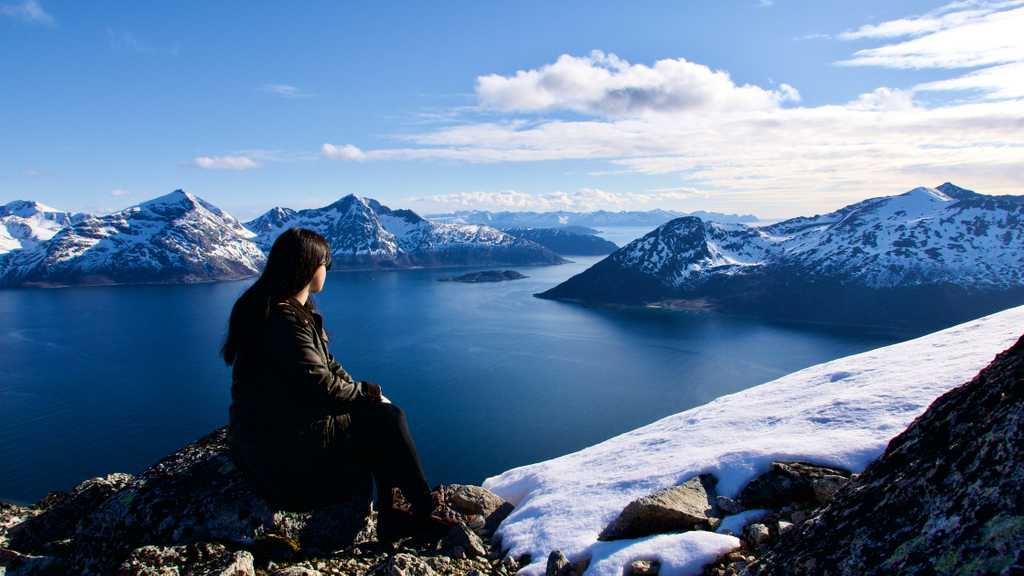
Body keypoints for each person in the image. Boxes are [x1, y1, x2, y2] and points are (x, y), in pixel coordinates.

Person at [221, 227, 452, 543]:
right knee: (388, 421)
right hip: (282, 457)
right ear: (308, 266)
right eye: (325, 265)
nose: (327, 271)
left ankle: (397, 515)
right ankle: (419, 512)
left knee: (380, 419)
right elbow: (321, 387)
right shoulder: (284, 321)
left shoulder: (282, 309)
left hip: (271, 438)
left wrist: (367, 396)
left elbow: (327, 367)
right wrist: (370, 395)